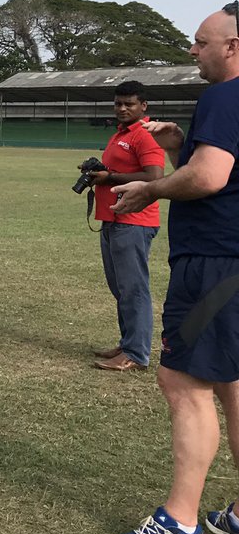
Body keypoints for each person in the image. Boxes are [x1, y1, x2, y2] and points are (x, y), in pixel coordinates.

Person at [109, 5, 239, 534]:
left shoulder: (226, 95)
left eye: (200, 42)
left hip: (216, 262)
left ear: (232, 46)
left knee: (185, 385)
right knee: (233, 386)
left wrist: (152, 189)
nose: (193, 52)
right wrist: (185, 143)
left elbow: (211, 178)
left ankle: (180, 522)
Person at [84, 81, 166, 372]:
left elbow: (155, 176)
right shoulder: (121, 134)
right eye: (118, 103)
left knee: (134, 289)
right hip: (114, 219)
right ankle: (128, 341)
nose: (122, 108)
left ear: (143, 106)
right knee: (120, 287)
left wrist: (110, 177)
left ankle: (136, 353)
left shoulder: (145, 135)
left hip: (134, 221)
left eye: (129, 103)